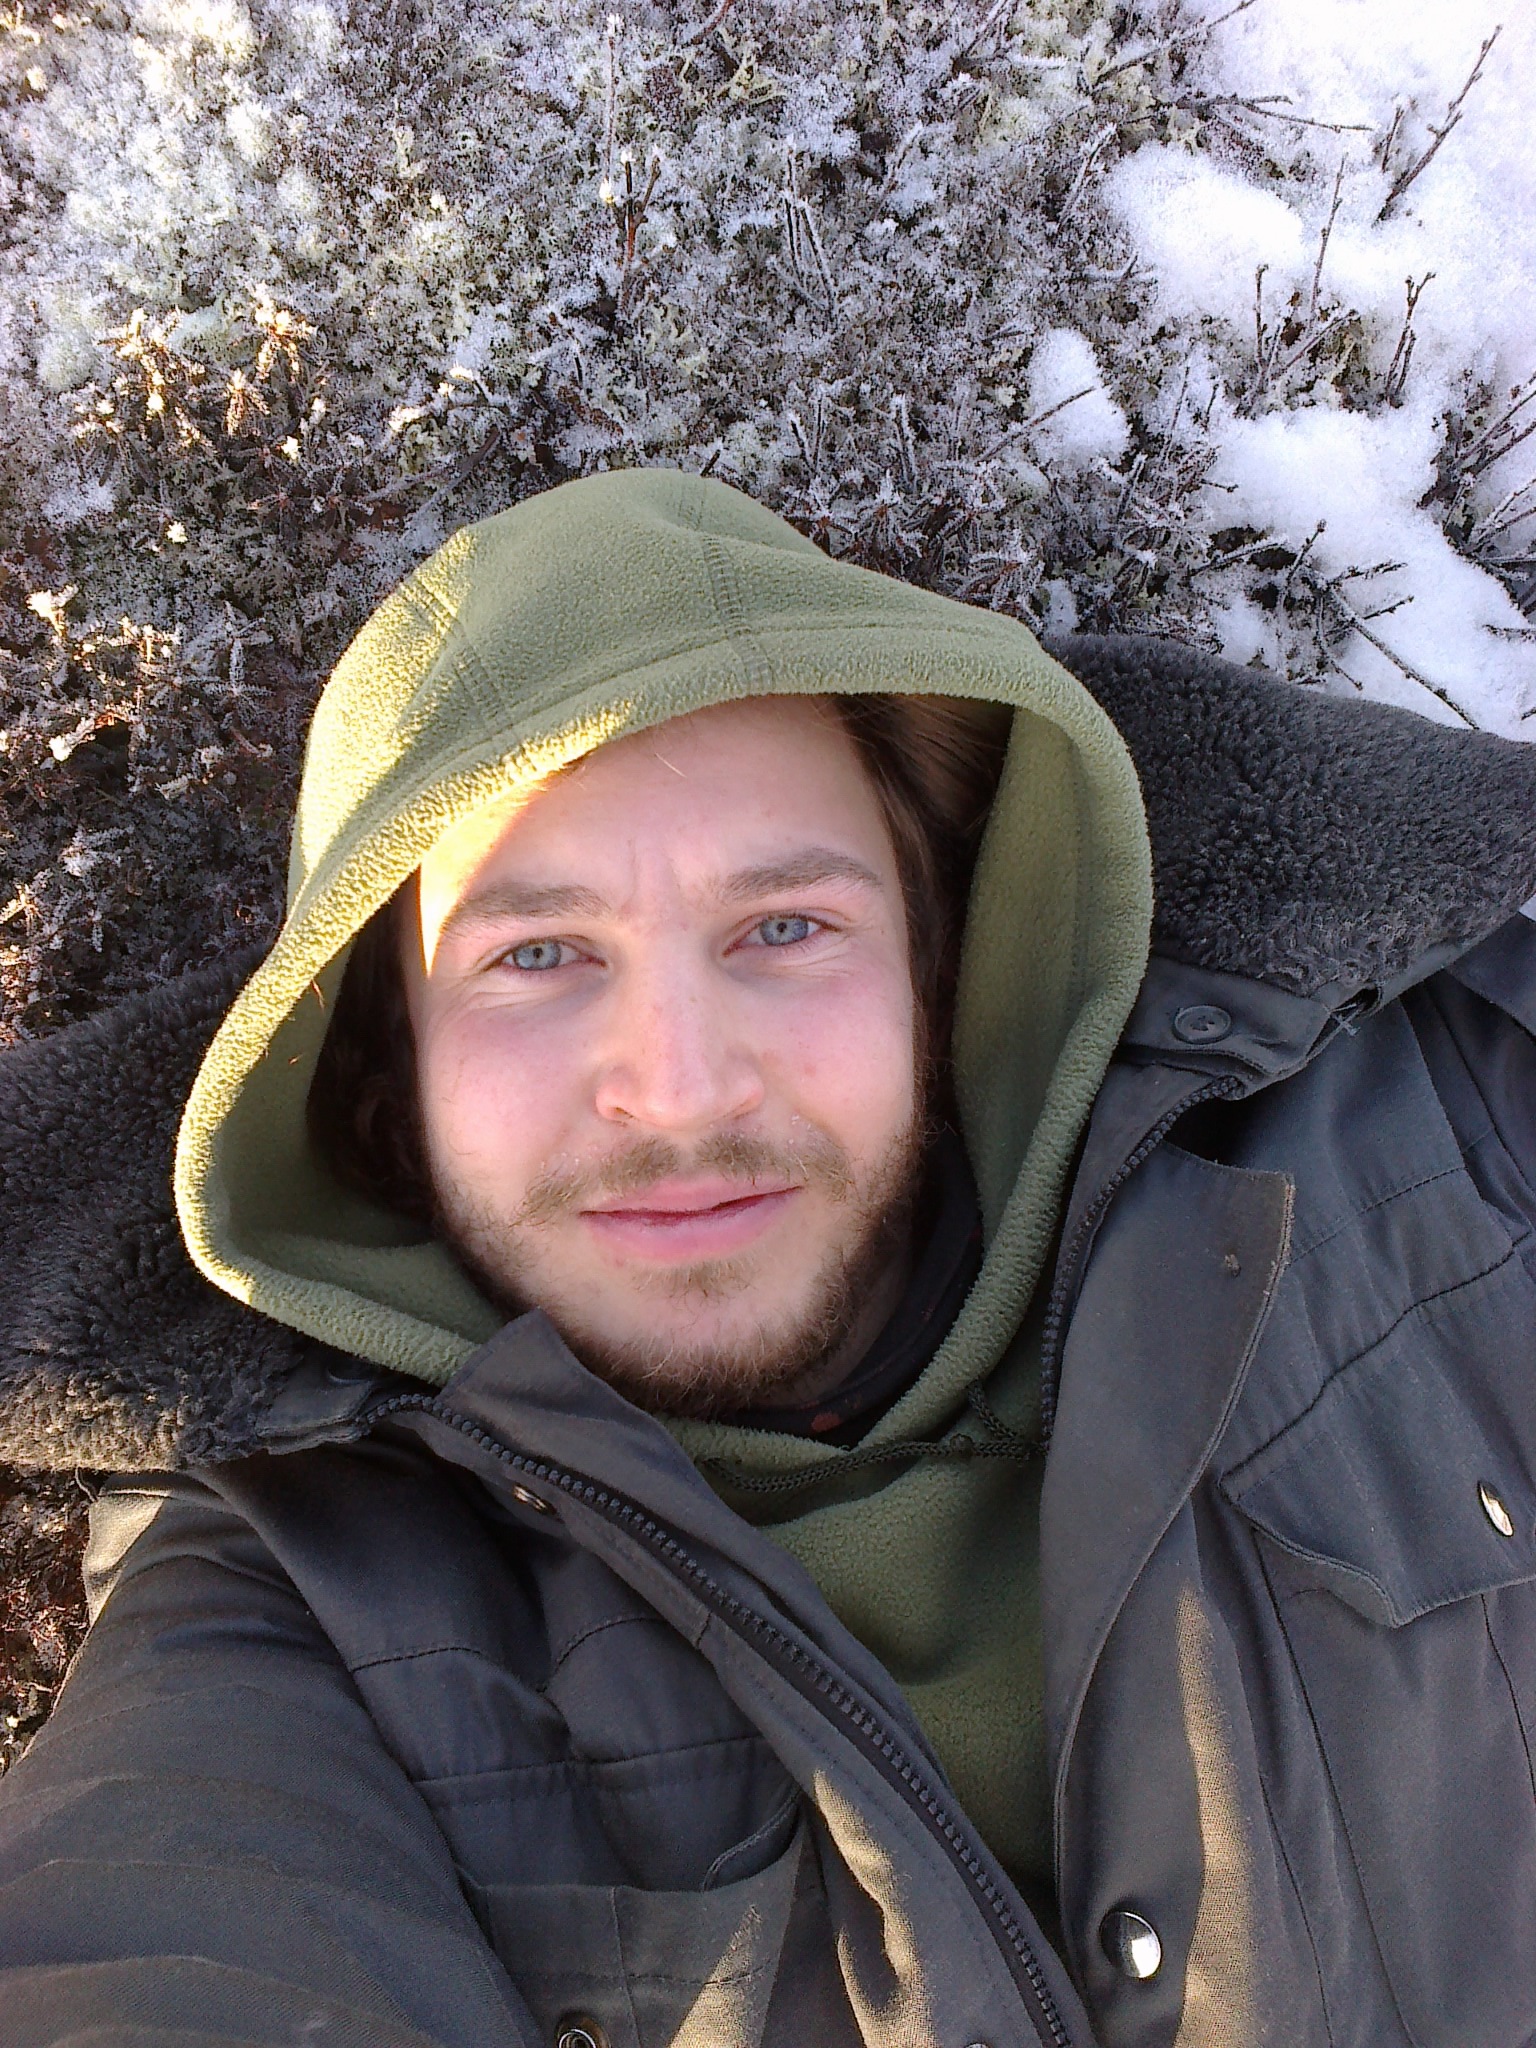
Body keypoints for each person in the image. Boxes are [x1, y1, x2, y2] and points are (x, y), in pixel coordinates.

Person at [0, 468, 1534, 2048]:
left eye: (785, 926)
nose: (682, 1088)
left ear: (936, 963)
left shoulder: (1450, 1129)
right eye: (539, 954)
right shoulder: (291, 1604)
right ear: (391, 1061)